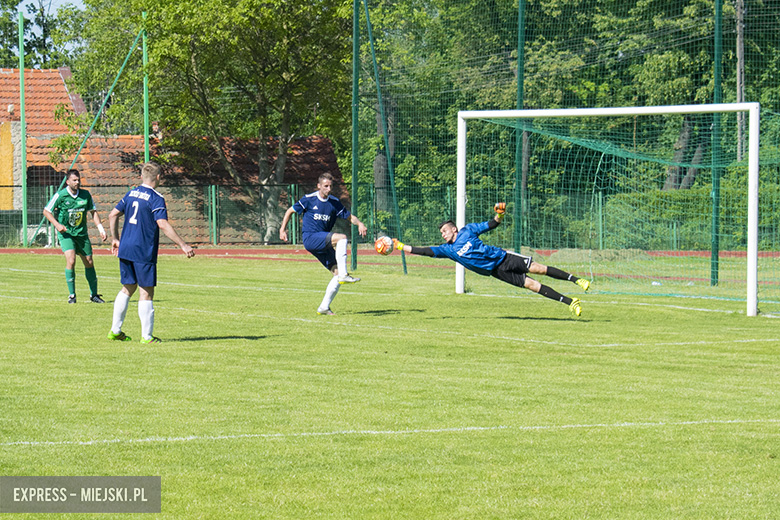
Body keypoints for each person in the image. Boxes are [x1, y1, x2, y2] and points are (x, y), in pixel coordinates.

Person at [392, 203, 591, 316]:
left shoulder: (468, 230)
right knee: (531, 285)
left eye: (444, 231)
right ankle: (570, 302)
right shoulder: (448, 250)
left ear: (454, 229)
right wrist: (402, 247)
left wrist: (499, 215)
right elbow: (426, 251)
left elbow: (492, 224)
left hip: (504, 258)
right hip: (496, 271)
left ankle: (577, 280)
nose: (443, 235)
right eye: (441, 233)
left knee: (538, 269)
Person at [107, 161, 195, 343]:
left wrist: (115, 238)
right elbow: (162, 224)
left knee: (127, 287)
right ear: (158, 177)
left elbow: (112, 214)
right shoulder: (156, 198)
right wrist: (183, 244)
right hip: (142, 250)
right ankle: (147, 337)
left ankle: (115, 330)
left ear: (141, 176)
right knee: (146, 292)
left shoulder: (131, 193)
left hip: (126, 248)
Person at [279, 172, 368, 315]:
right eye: (326, 186)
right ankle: (344, 274)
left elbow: (350, 217)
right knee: (342, 238)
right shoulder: (309, 199)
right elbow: (290, 211)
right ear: (319, 186)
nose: (329, 189)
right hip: (310, 238)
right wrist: (282, 229)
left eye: (330, 186)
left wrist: (360, 224)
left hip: (323, 241)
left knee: (336, 273)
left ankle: (324, 307)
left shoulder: (334, 202)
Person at [43, 169, 108, 304]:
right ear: (68, 182)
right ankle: (72, 295)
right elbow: (46, 211)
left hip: (81, 235)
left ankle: (94, 295)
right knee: (71, 260)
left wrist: (101, 229)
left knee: (89, 262)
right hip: (66, 234)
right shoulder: (61, 195)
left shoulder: (85, 195)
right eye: (74, 180)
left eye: (78, 180)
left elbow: (93, 212)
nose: (77, 182)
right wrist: (57, 225)